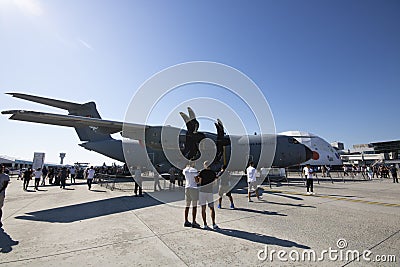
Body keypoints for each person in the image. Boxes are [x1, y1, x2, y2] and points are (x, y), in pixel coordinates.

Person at [198, 161, 219, 230]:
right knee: (211, 208)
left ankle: (205, 224)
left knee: (203, 209)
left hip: (202, 192)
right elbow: (215, 183)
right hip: (210, 192)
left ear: (204, 165)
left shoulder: (202, 172)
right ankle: (213, 223)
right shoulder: (213, 173)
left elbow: (199, 182)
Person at [183, 161, 200, 228]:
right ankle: (193, 221)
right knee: (194, 206)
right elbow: (197, 181)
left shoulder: (185, 170)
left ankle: (186, 221)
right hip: (193, 188)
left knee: (187, 205)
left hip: (187, 188)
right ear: (193, 164)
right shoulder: (194, 170)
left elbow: (185, 174)